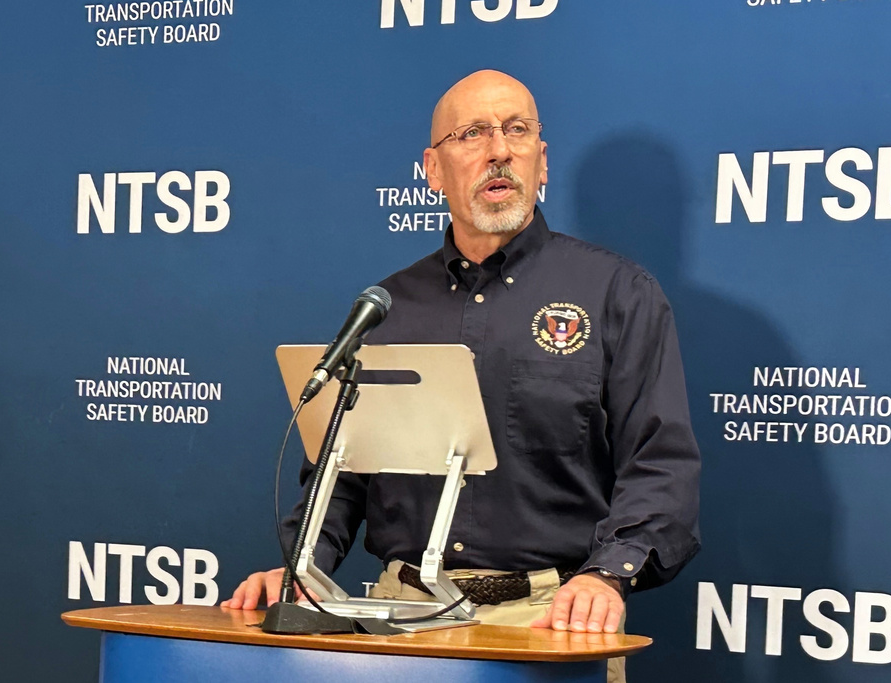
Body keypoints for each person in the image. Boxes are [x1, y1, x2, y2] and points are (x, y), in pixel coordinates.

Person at [223, 70, 700, 680]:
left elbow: (661, 464)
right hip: (397, 622)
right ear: (432, 168)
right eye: (472, 133)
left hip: (550, 625)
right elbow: (343, 469)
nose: (499, 149)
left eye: (517, 130)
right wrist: (301, 571)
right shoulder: (388, 304)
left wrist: (608, 575)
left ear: (542, 161)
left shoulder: (618, 294)